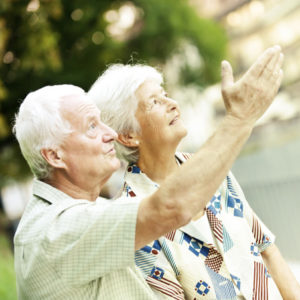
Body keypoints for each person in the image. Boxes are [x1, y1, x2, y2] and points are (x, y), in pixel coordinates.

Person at [13, 46, 294, 300]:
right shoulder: (61, 230)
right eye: (91, 127)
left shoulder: (94, 213)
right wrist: (239, 118)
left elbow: (267, 250)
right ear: (54, 156)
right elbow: (170, 207)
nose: (109, 134)